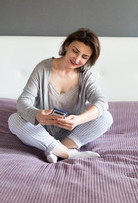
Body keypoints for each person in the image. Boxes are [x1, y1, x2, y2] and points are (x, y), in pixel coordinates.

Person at [8, 28, 113, 163]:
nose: (77, 59)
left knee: (106, 117)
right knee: (14, 119)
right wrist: (37, 115)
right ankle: (67, 153)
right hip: (40, 129)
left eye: (84, 57)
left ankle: (53, 150)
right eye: (75, 51)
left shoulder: (85, 76)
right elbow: (23, 101)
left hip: (70, 131)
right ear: (67, 45)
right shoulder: (43, 68)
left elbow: (102, 102)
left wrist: (78, 120)